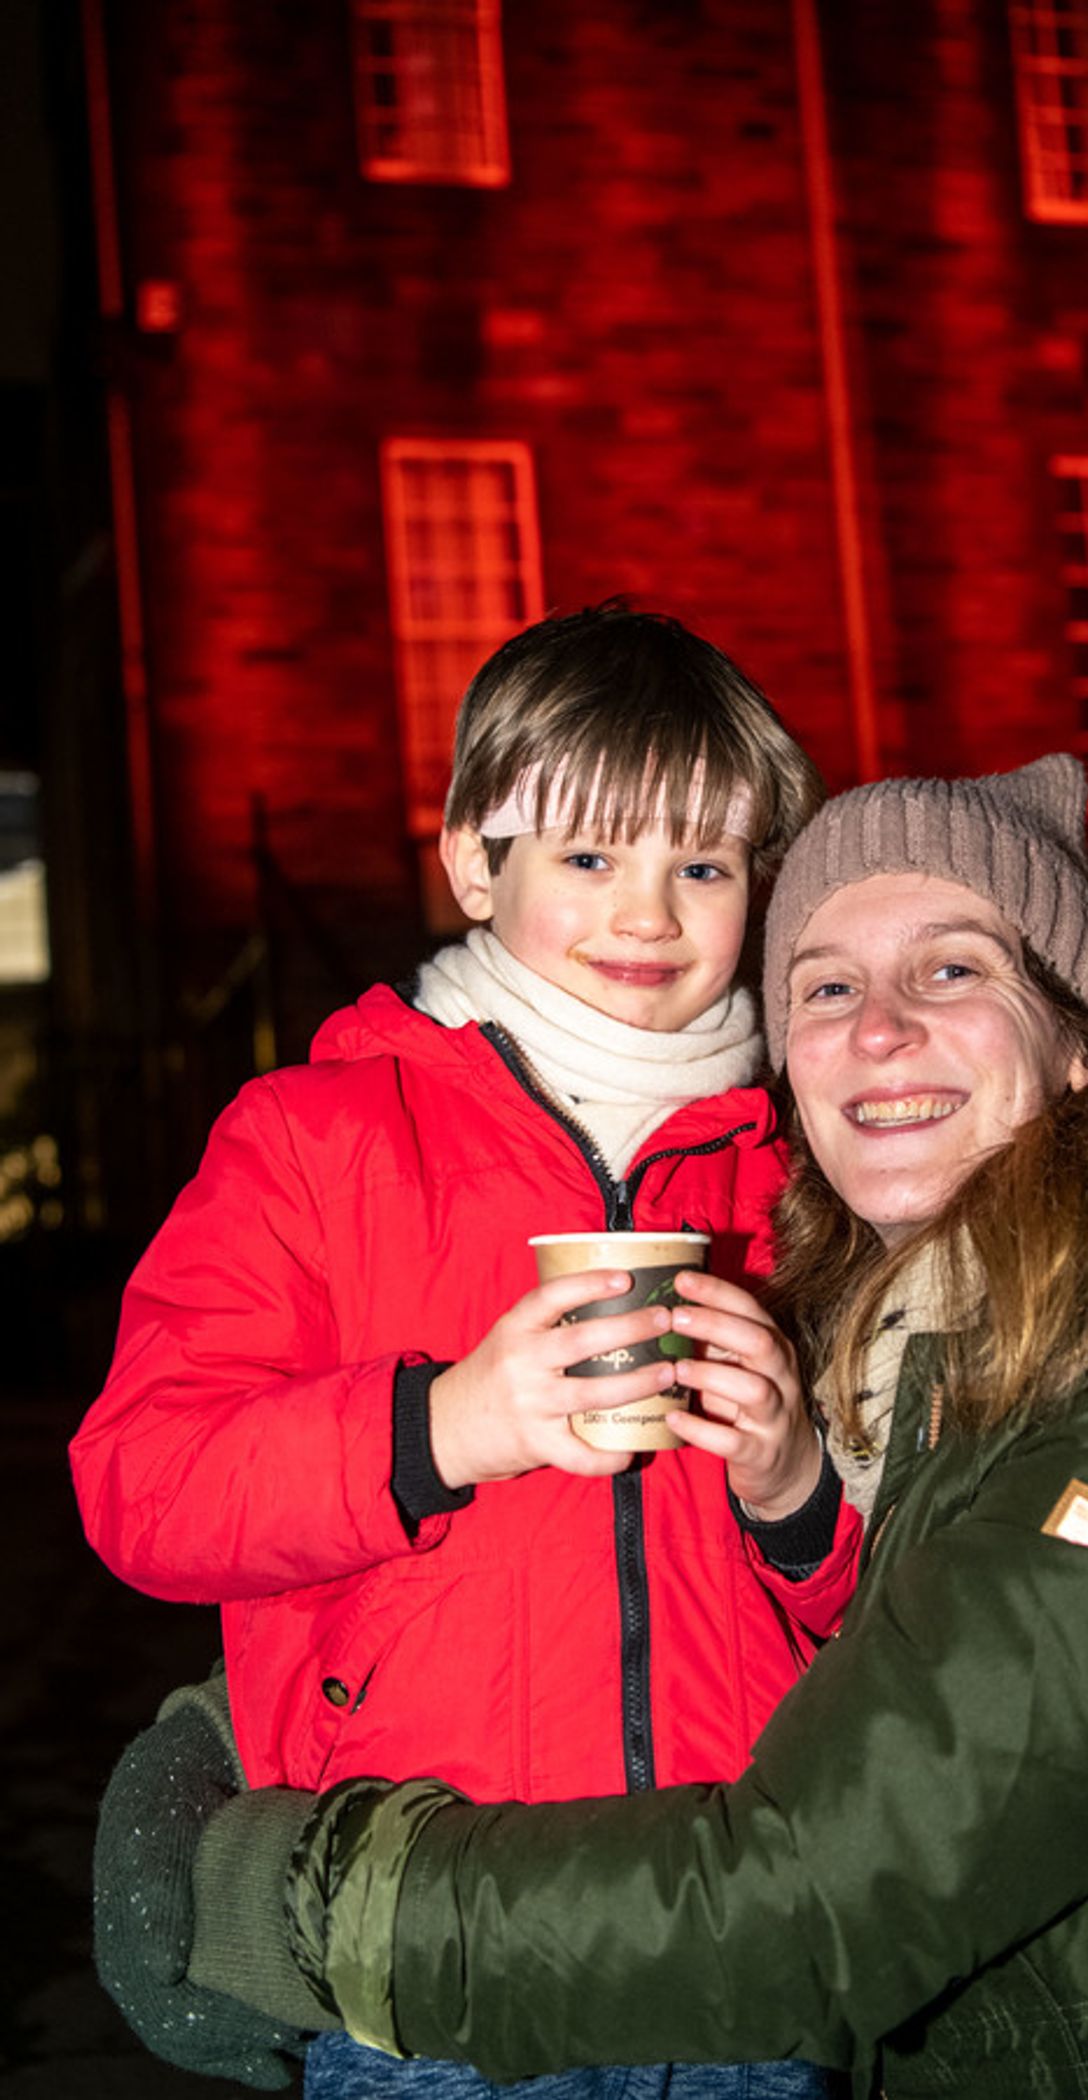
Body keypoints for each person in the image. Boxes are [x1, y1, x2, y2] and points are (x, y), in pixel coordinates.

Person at [123, 752, 1088, 2097]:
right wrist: (269, 1705)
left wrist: (296, 1901)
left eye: (953, 968)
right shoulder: (930, 1339)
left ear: (1081, 1037)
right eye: (827, 987)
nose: (881, 1028)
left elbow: (819, 1900)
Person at [71, 602, 864, 2097]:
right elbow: (142, 1486)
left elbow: (892, 1592)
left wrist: (797, 1485)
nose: (650, 915)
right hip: (430, 1949)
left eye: (702, 863)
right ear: (470, 861)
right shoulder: (316, 1139)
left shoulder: (796, 1174)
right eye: (588, 858)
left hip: (742, 1932)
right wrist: (443, 1428)